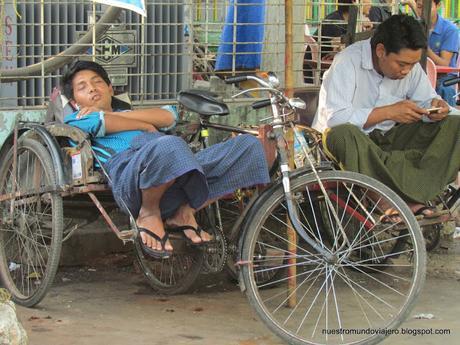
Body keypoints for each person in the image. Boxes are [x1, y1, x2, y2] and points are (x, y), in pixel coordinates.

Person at [61, 60, 270, 258]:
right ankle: (149, 213)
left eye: (97, 82)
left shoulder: (126, 113)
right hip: (129, 176)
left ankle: (184, 211)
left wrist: (128, 119)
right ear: (74, 102)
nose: (92, 88)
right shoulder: (77, 118)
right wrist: (145, 126)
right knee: (169, 144)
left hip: (175, 167)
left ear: (110, 88)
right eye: (82, 87)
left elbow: (168, 117)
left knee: (249, 146)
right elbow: (108, 121)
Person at [312, 14, 460, 218]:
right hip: (350, 145)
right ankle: (388, 198)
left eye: (412, 64)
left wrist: (437, 108)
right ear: (381, 51)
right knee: (342, 133)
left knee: (455, 124)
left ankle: (414, 192)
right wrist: (389, 112)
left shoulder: (411, 68)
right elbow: (334, 119)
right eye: (401, 64)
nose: (407, 71)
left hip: (387, 141)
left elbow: (427, 100)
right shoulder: (347, 62)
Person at [416, 0, 459, 106]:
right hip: (417, 74)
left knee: (445, 90)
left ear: (438, 5)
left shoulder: (450, 30)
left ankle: (449, 119)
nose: (423, 11)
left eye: (428, 7)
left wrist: (426, 49)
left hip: (443, 77)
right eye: (419, 7)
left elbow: (444, 63)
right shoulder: (414, 27)